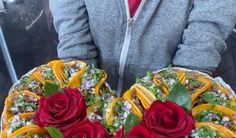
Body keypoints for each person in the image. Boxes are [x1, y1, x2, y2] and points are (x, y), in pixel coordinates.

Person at [49, 0, 236, 95]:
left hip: (172, 86)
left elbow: (209, 23)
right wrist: (81, 78)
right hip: (93, 76)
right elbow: (70, 14)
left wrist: (180, 90)